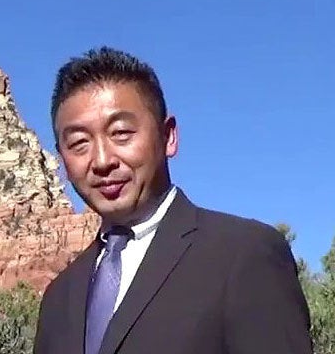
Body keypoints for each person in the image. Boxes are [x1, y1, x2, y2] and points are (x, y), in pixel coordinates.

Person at [34, 47, 313, 354]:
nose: (101, 160)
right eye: (78, 143)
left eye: (121, 133)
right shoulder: (59, 297)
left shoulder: (243, 254)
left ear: (168, 137)